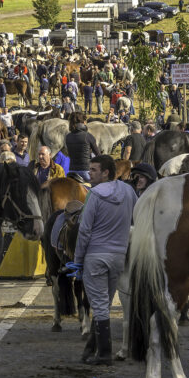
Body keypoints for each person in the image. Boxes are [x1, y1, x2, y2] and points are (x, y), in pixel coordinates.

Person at [72, 155, 137, 365]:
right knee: (104, 303)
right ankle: (91, 348)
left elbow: (84, 230)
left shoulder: (94, 194)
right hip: (119, 255)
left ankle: (105, 353)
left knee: (99, 305)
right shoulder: (129, 191)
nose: (89, 173)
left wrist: (77, 260)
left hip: (96, 255)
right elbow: (136, 218)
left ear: (106, 172)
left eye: (93, 170)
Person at [65, 112, 100, 181]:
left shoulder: (68, 136)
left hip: (71, 171)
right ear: (84, 122)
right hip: (85, 171)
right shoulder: (88, 136)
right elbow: (98, 155)